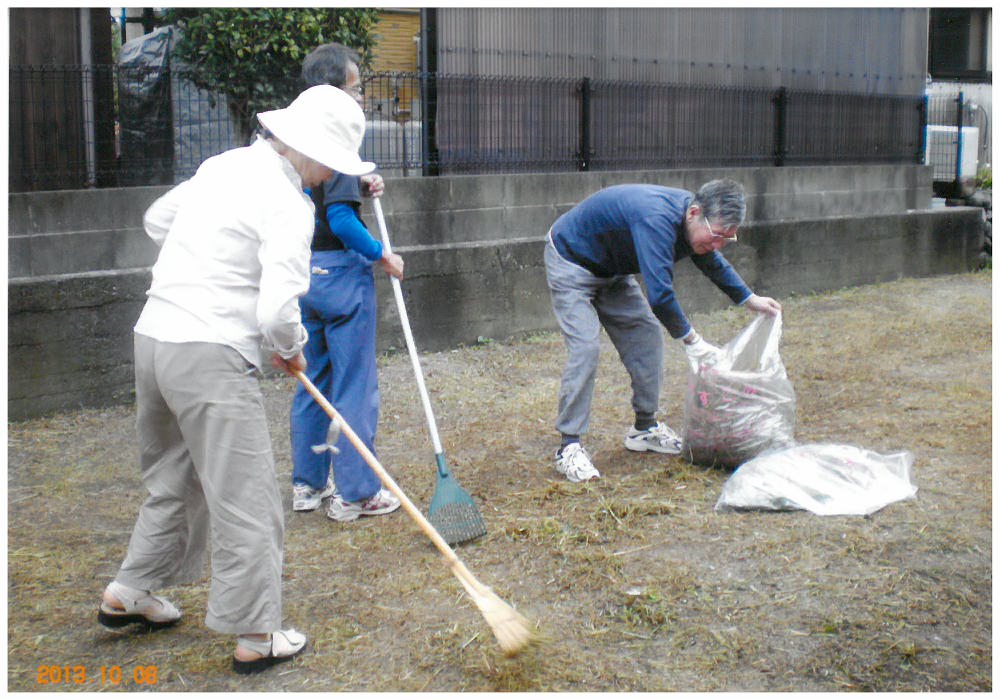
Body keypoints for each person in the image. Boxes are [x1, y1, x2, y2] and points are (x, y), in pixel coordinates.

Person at [97, 85, 375, 674]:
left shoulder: (221, 165)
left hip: (154, 339)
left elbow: (157, 220)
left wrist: (205, 266)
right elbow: (278, 312)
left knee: (175, 476)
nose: (328, 179)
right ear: (310, 151)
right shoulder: (290, 204)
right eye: (330, 164)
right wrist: (291, 350)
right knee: (246, 495)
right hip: (210, 353)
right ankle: (256, 631)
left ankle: (132, 590)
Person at [544, 179, 782, 483]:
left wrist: (748, 298)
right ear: (694, 212)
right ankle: (569, 446)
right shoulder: (656, 219)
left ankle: (644, 428)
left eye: (728, 239)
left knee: (647, 336)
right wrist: (692, 341)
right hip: (571, 260)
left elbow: (710, 260)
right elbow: (660, 295)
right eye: (717, 235)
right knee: (586, 348)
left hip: (612, 270)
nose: (718, 244)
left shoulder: (693, 221)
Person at [288, 42, 405, 522]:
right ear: (333, 93)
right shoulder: (334, 141)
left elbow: (324, 202)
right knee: (355, 385)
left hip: (303, 273)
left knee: (312, 381)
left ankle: (306, 484)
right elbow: (339, 218)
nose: (360, 101)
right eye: (355, 90)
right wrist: (381, 255)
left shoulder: (292, 139)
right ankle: (356, 492)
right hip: (340, 276)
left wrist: (359, 184)